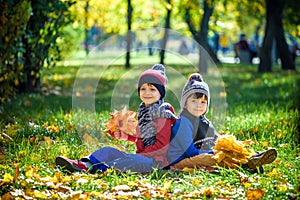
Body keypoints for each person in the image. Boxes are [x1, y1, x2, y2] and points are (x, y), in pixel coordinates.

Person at [56, 64, 176, 173]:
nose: (147, 93)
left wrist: (142, 155)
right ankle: (84, 164)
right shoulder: (144, 111)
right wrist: (126, 136)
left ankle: (102, 169)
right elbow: (141, 137)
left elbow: (162, 145)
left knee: (132, 160)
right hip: (142, 157)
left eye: (152, 89)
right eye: (143, 89)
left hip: (156, 162)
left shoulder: (163, 114)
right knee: (108, 151)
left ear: (161, 93)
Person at [167, 73, 277, 172]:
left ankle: (251, 157)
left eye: (203, 102)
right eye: (194, 101)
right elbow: (190, 152)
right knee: (211, 159)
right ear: (185, 104)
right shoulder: (183, 123)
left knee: (228, 148)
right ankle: (245, 166)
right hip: (181, 161)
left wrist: (228, 149)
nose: (198, 105)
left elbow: (217, 140)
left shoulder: (204, 122)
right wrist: (214, 153)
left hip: (200, 155)